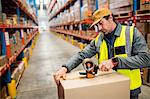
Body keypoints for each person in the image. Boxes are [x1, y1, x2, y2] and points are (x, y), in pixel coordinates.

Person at [55, 8, 150, 99]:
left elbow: (146, 59)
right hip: (107, 86)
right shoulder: (99, 40)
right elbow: (82, 55)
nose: (99, 28)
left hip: (129, 88)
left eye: (101, 23)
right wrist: (65, 68)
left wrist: (114, 62)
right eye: (97, 25)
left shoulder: (131, 33)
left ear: (110, 18)